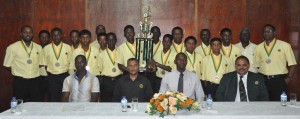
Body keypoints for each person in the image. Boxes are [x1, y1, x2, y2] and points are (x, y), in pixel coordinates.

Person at [254, 24, 297, 101]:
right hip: (263, 80)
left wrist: (289, 78)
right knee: (263, 103)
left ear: (274, 33)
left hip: (278, 81)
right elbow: (257, 65)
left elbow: (293, 64)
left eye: (269, 31)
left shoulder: (285, 45)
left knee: (279, 104)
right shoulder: (258, 47)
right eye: (265, 31)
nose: (267, 33)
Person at [3, 25, 43, 102]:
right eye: (25, 32)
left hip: (35, 82)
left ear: (33, 34)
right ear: (21, 34)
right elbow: (6, 65)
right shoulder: (12, 47)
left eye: (30, 32)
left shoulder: (38, 47)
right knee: (19, 104)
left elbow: (40, 64)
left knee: (36, 104)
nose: (28, 34)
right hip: (20, 82)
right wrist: (18, 70)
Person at [42, 27, 72, 102]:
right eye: (54, 35)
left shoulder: (67, 47)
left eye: (58, 35)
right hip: (52, 77)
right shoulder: (46, 48)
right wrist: (48, 76)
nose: (56, 37)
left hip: (64, 76)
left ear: (61, 35)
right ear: (51, 36)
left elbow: (71, 63)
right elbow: (43, 64)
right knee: (52, 98)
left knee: (65, 97)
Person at [99, 32, 122, 102]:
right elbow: (99, 69)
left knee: (118, 100)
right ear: (106, 41)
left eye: (113, 40)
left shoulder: (120, 52)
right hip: (106, 81)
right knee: (106, 101)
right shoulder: (101, 54)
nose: (111, 42)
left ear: (116, 40)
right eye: (109, 40)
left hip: (119, 80)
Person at [38, 30, 50, 101]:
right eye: (42, 37)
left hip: (49, 77)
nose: (44, 39)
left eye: (46, 37)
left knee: (50, 97)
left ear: (49, 38)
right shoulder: (35, 48)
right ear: (39, 38)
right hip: (38, 78)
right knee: (39, 98)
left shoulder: (51, 49)